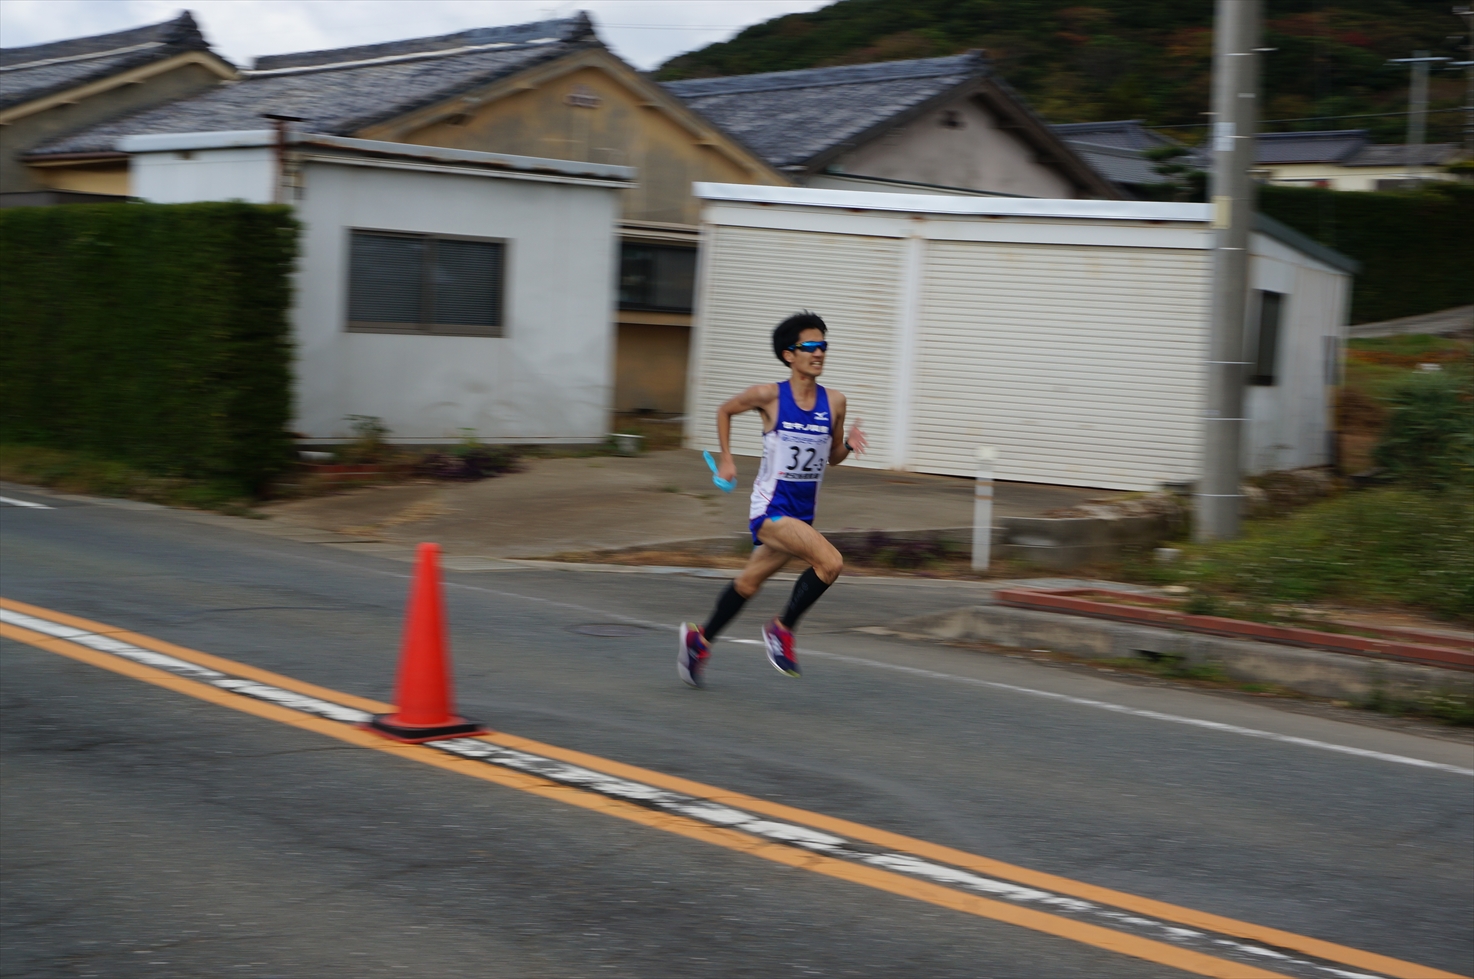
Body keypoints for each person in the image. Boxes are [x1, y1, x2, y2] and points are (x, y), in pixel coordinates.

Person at [678, 311, 867, 687]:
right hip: (771, 510)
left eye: (823, 346)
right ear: (788, 354)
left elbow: (831, 457)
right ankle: (782, 629)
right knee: (830, 563)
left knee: (748, 583)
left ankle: (698, 640)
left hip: (802, 514)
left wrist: (847, 444)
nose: (819, 353)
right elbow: (725, 410)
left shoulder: (836, 402)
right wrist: (727, 458)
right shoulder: (769, 396)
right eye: (810, 347)